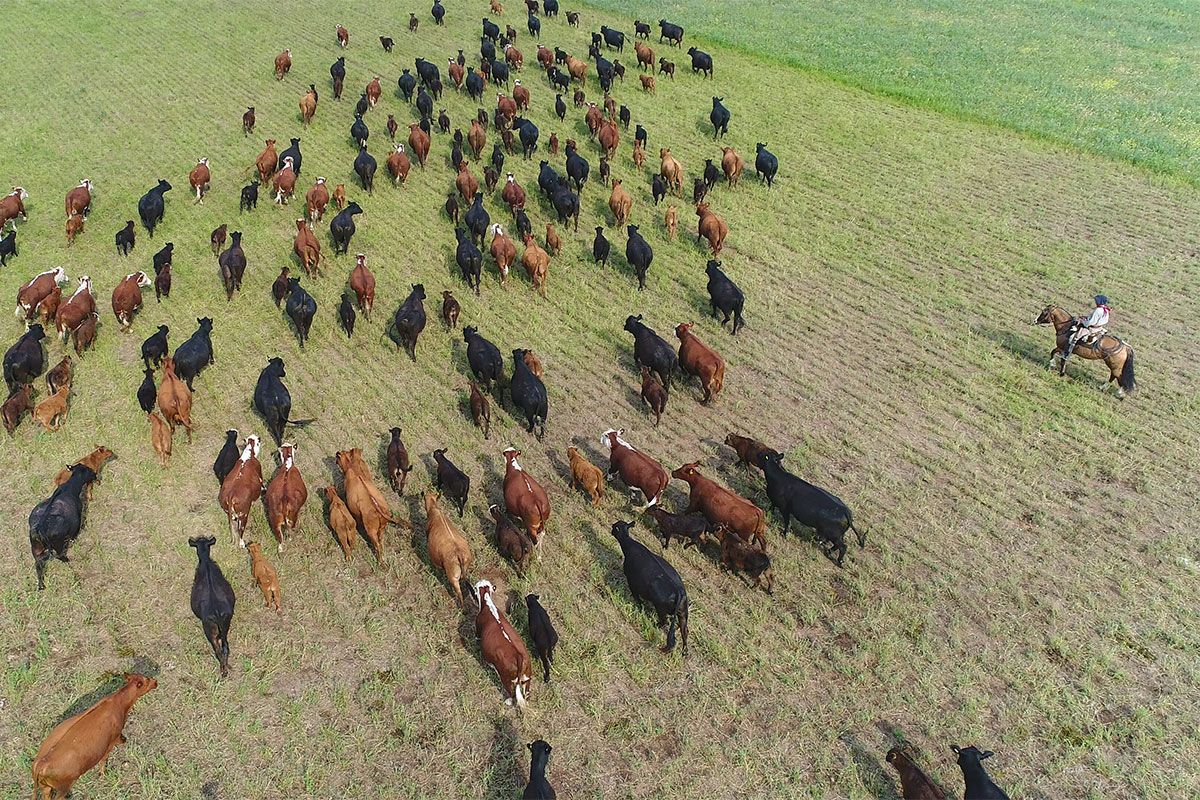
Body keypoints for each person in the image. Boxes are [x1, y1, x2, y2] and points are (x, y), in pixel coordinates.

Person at [1063, 295, 1110, 361]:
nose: (1095, 302)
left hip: (1091, 328)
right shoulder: (1106, 309)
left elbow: (1091, 322)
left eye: (1096, 301)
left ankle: (1066, 354)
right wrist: (1086, 318)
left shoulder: (1098, 310)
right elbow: (1105, 320)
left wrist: (1083, 321)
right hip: (1099, 328)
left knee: (1073, 337)